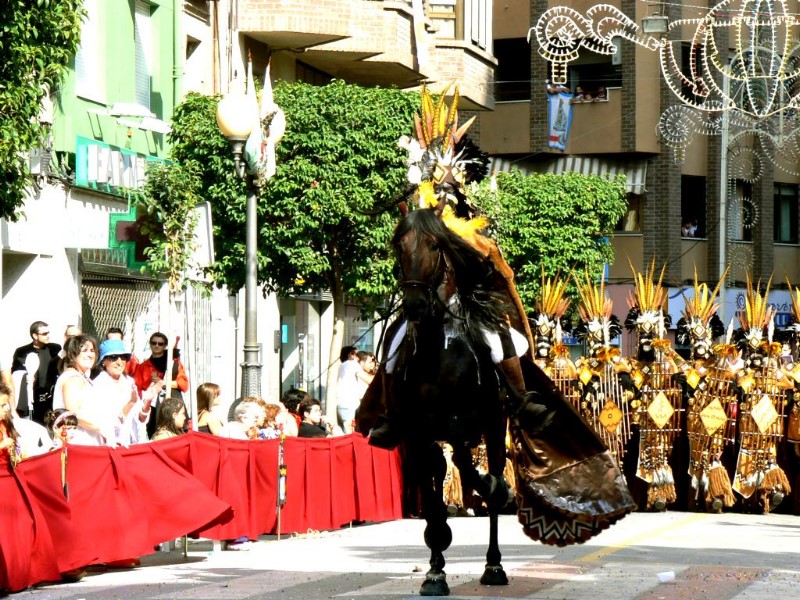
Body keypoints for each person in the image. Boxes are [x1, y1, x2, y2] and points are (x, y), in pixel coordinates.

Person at [52, 335, 117, 447]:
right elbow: (73, 414)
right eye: (85, 350)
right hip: (78, 443)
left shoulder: (81, 377)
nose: (90, 354)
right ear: (72, 355)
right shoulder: (72, 378)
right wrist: (101, 429)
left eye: (92, 350)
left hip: (89, 442)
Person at [93, 339, 159, 446]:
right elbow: (108, 424)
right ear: (104, 361)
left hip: (131, 444)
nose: (119, 362)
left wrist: (148, 401)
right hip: (109, 446)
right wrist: (131, 403)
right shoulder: (98, 385)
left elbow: (140, 419)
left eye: (123, 357)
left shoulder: (129, 382)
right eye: (113, 357)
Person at [133, 332, 189, 439]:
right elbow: (138, 390)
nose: (157, 346)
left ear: (165, 345)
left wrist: (164, 383)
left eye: (160, 344)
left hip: (172, 406)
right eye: (154, 343)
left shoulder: (173, 363)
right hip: (153, 409)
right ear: (150, 344)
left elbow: (184, 384)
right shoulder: (143, 367)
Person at [11, 320, 62, 423]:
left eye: (48, 333)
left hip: (49, 401)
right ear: (35, 335)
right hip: (30, 401)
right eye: (44, 333)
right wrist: (25, 377)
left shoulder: (54, 349)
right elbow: (15, 374)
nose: (48, 336)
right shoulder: (21, 352)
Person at [337, 346, 373, 433]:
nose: (358, 358)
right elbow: (369, 380)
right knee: (350, 434)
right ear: (351, 355)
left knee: (345, 433)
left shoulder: (342, 365)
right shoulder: (352, 364)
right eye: (357, 355)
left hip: (342, 405)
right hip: (349, 405)